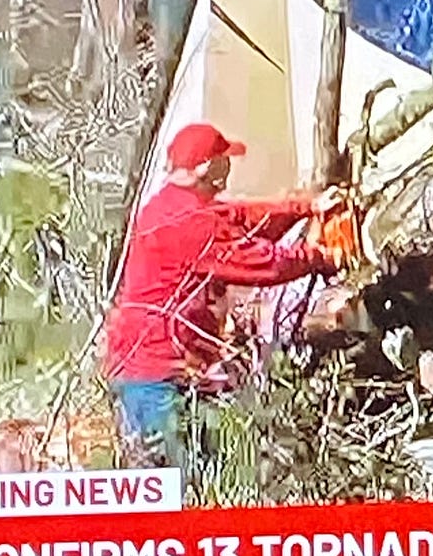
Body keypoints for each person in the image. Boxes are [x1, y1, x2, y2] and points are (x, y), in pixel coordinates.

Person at [104, 123, 338, 469]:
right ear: (205, 167)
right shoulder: (190, 222)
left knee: (184, 475)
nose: (228, 166)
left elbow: (243, 219)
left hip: (144, 371)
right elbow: (263, 263)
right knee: (179, 484)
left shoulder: (172, 206)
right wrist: (322, 257)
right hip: (158, 378)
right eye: (223, 158)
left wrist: (306, 206)